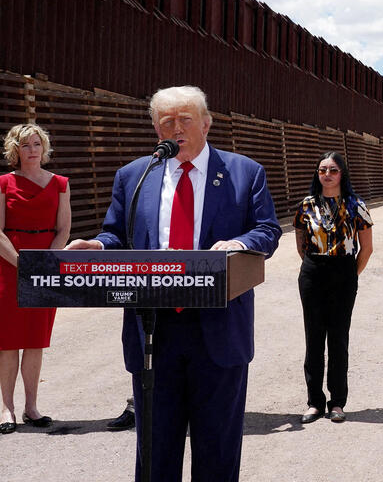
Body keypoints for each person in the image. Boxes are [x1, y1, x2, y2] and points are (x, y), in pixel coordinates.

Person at [66, 86, 281, 481]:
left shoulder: (243, 171)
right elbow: (117, 235)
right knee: (155, 450)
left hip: (218, 328)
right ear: (155, 128)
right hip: (153, 329)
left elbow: (267, 229)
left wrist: (241, 242)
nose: (176, 128)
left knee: (217, 450)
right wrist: (97, 244)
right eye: (167, 122)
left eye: (185, 119)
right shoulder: (133, 176)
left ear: (206, 123)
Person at [0, 124, 71, 434]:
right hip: (8, 264)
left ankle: (31, 407)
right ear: (15, 150)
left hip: (44, 265)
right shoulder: (3, 183)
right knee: (8, 342)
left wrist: (44, 263)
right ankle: (7, 408)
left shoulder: (60, 184)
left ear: (44, 148)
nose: (32, 150)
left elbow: (63, 230)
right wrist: (21, 263)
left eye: (36, 144)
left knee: (35, 340)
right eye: (25, 145)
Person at [293, 152, 373, 424]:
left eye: (333, 170)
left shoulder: (355, 204)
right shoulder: (306, 205)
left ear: (342, 174)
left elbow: (367, 248)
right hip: (313, 272)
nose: (327, 175)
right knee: (313, 339)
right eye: (322, 170)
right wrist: (315, 267)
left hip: (344, 272)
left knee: (338, 339)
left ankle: (337, 402)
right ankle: (315, 402)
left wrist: (350, 275)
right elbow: (301, 243)